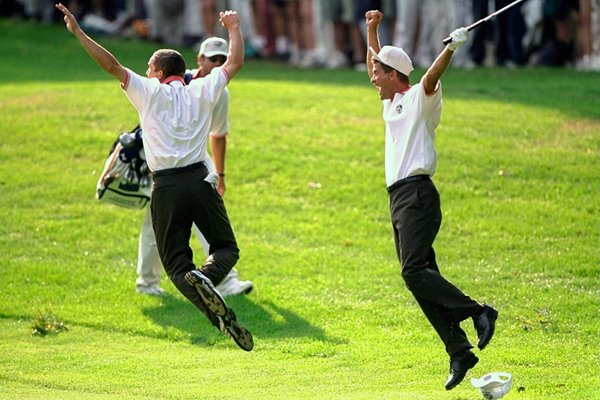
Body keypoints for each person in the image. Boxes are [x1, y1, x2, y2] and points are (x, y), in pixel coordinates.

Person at [55, 2, 253, 351]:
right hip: (201, 181)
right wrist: (234, 28)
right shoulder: (202, 89)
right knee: (226, 249)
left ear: (160, 72)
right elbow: (235, 62)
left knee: (177, 268)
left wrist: (78, 32)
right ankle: (214, 297)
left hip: (166, 188)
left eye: (149, 67)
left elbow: (110, 65)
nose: (146, 73)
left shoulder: (149, 91)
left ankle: (205, 293)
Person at [365, 9, 498, 390]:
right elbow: (374, 62)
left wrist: (452, 48)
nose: (372, 78)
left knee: (412, 272)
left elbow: (430, 76)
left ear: (393, 74)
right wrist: (372, 30)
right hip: (399, 199)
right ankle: (459, 350)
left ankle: (479, 312)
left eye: (378, 73)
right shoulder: (390, 104)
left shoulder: (419, 98)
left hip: (417, 196)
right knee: (421, 278)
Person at [136, 36, 254, 298]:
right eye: (213, 58)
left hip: (195, 163)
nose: (217, 63)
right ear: (199, 59)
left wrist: (220, 174)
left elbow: (218, 135)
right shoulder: (173, 80)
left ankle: (221, 280)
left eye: (221, 59)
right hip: (162, 164)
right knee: (153, 225)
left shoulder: (218, 90)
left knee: (206, 223)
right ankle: (147, 283)